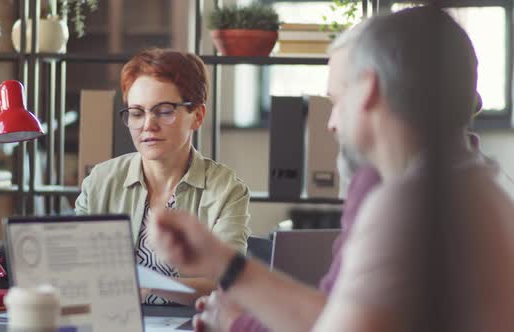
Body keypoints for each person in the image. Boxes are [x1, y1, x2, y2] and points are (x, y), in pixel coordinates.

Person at [149, 6, 514, 331]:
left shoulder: (409, 202)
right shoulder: (483, 184)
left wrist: (234, 316)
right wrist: (221, 262)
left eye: (336, 101)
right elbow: (344, 314)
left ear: (368, 88)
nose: (331, 122)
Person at [75, 48, 251, 306]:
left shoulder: (226, 190)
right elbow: (74, 267)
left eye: (164, 110)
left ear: (198, 115)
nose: (148, 125)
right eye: (137, 113)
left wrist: (145, 286)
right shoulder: (101, 180)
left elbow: (229, 284)